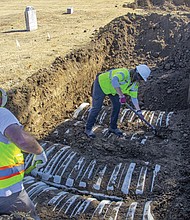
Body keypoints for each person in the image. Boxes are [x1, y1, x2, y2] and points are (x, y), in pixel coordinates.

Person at [0, 88, 47, 219]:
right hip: (7, 193)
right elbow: (21, 140)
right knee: (30, 216)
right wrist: (39, 151)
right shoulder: (2, 114)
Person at [85, 64, 151, 138]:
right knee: (96, 108)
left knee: (117, 106)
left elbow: (134, 98)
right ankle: (88, 129)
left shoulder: (135, 84)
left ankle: (113, 127)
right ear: (136, 72)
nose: (139, 80)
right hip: (101, 84)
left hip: (113, 90)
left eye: (141, 79)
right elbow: (114, 80)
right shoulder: (124, 73)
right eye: (139, 77)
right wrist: (121, 95)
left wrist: (139, 111)